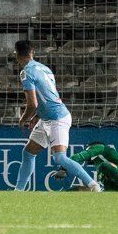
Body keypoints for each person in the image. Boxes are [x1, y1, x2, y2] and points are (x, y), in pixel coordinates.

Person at [13, 40, 100, 192]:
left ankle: (93, 185)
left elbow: (32, 104)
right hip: (47, 117)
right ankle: (18, 191)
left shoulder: (26, 72)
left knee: (59, 158)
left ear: (17, 54)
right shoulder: (45, 69)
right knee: (28, 153)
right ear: (32, 53)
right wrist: (37, 117)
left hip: (57, 118)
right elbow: (47, 96)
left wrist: (23, 118)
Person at [54, 141, 118, 191]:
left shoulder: (100, 147)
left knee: (104, 166)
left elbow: (77, 157)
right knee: (88, 189)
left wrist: (63, 168)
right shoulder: (102, 160)